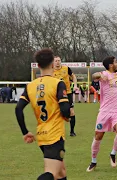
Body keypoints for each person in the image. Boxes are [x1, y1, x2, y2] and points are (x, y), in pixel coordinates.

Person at [15, 48, 71, 180]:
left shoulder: (30, 86)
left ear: (38, 65)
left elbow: (18, 109)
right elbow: (65, 109)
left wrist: (25, 132)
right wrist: (67, 115)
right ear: (53, 64)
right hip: (54, 135)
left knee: (61, 171)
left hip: (41, 134)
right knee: (51, 173)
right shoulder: (58, 83)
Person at [53, 56, 78, 137]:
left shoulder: (66, 68)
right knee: (56, 112)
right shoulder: (51, 70)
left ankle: (72, 131)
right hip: (56, 94)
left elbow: (73, 76)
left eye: (59, 60)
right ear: (53, 62)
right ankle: (56, 131)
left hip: (67, 93)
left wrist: (75, 85)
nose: (57, 62)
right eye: (56, 61)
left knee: (72, 112)